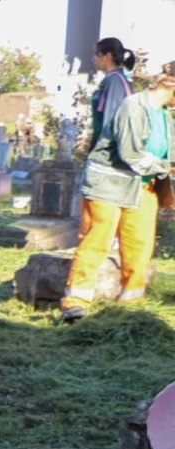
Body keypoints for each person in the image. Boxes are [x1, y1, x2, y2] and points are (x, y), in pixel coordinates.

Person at [61, 69, 175, 323]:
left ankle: (130, 303)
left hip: (143, 187)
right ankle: (76, 303)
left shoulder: (165, 116)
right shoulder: (133, 107)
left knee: (139, 246)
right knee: (97, 242)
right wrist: (166, 167)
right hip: (108, 185)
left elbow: (168, 154)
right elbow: (131, 154)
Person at [88, 37, 136, 148]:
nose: (94, 58)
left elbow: (111, 120)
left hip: (108, 154)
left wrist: (102, 150)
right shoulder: (115, 79)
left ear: (108, 56)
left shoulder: (115, 81)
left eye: (97, 54)